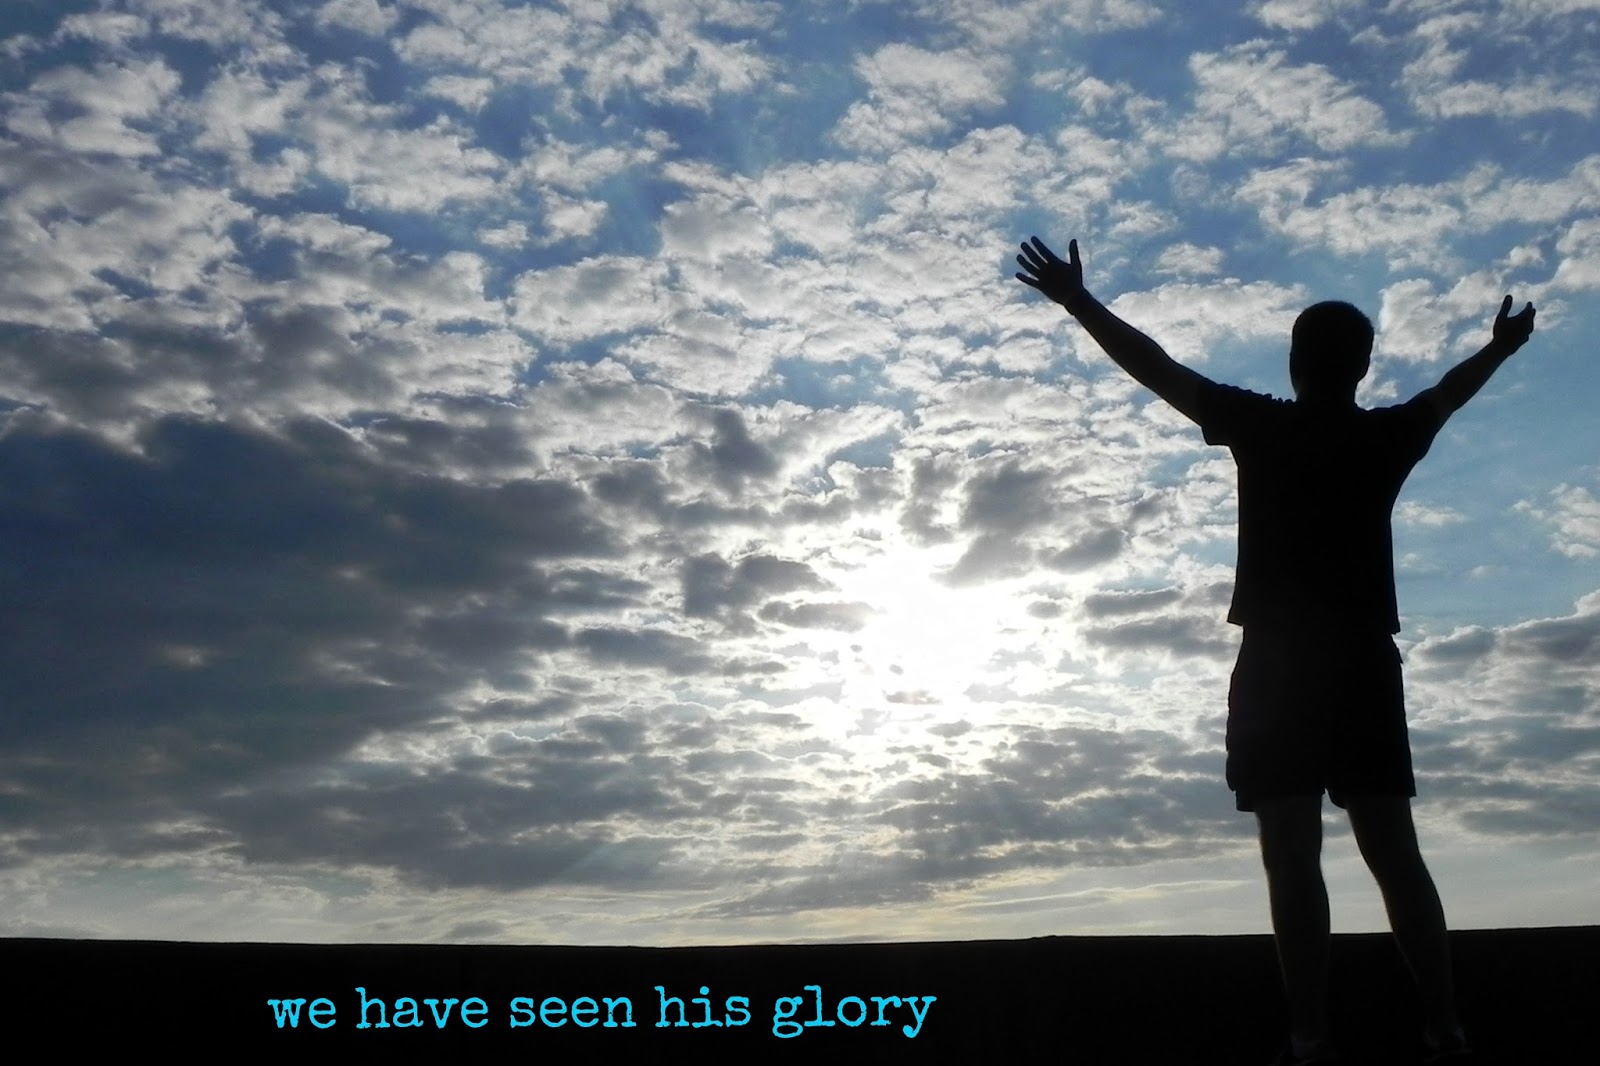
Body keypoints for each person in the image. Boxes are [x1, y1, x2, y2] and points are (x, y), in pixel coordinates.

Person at [1013, 236, 1535, 1066]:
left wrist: (1079, 302)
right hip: (1363, 663)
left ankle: (1309, 1036)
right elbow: (1448, 393)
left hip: (1277, 666)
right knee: (1395, 853)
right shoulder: (1389, 436)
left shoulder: (1261, 425)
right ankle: (1445, 1027)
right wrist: (1498, 349)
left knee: (1291, 859)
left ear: (1294, 361)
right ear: (1363, 366)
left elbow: (1156, 368)